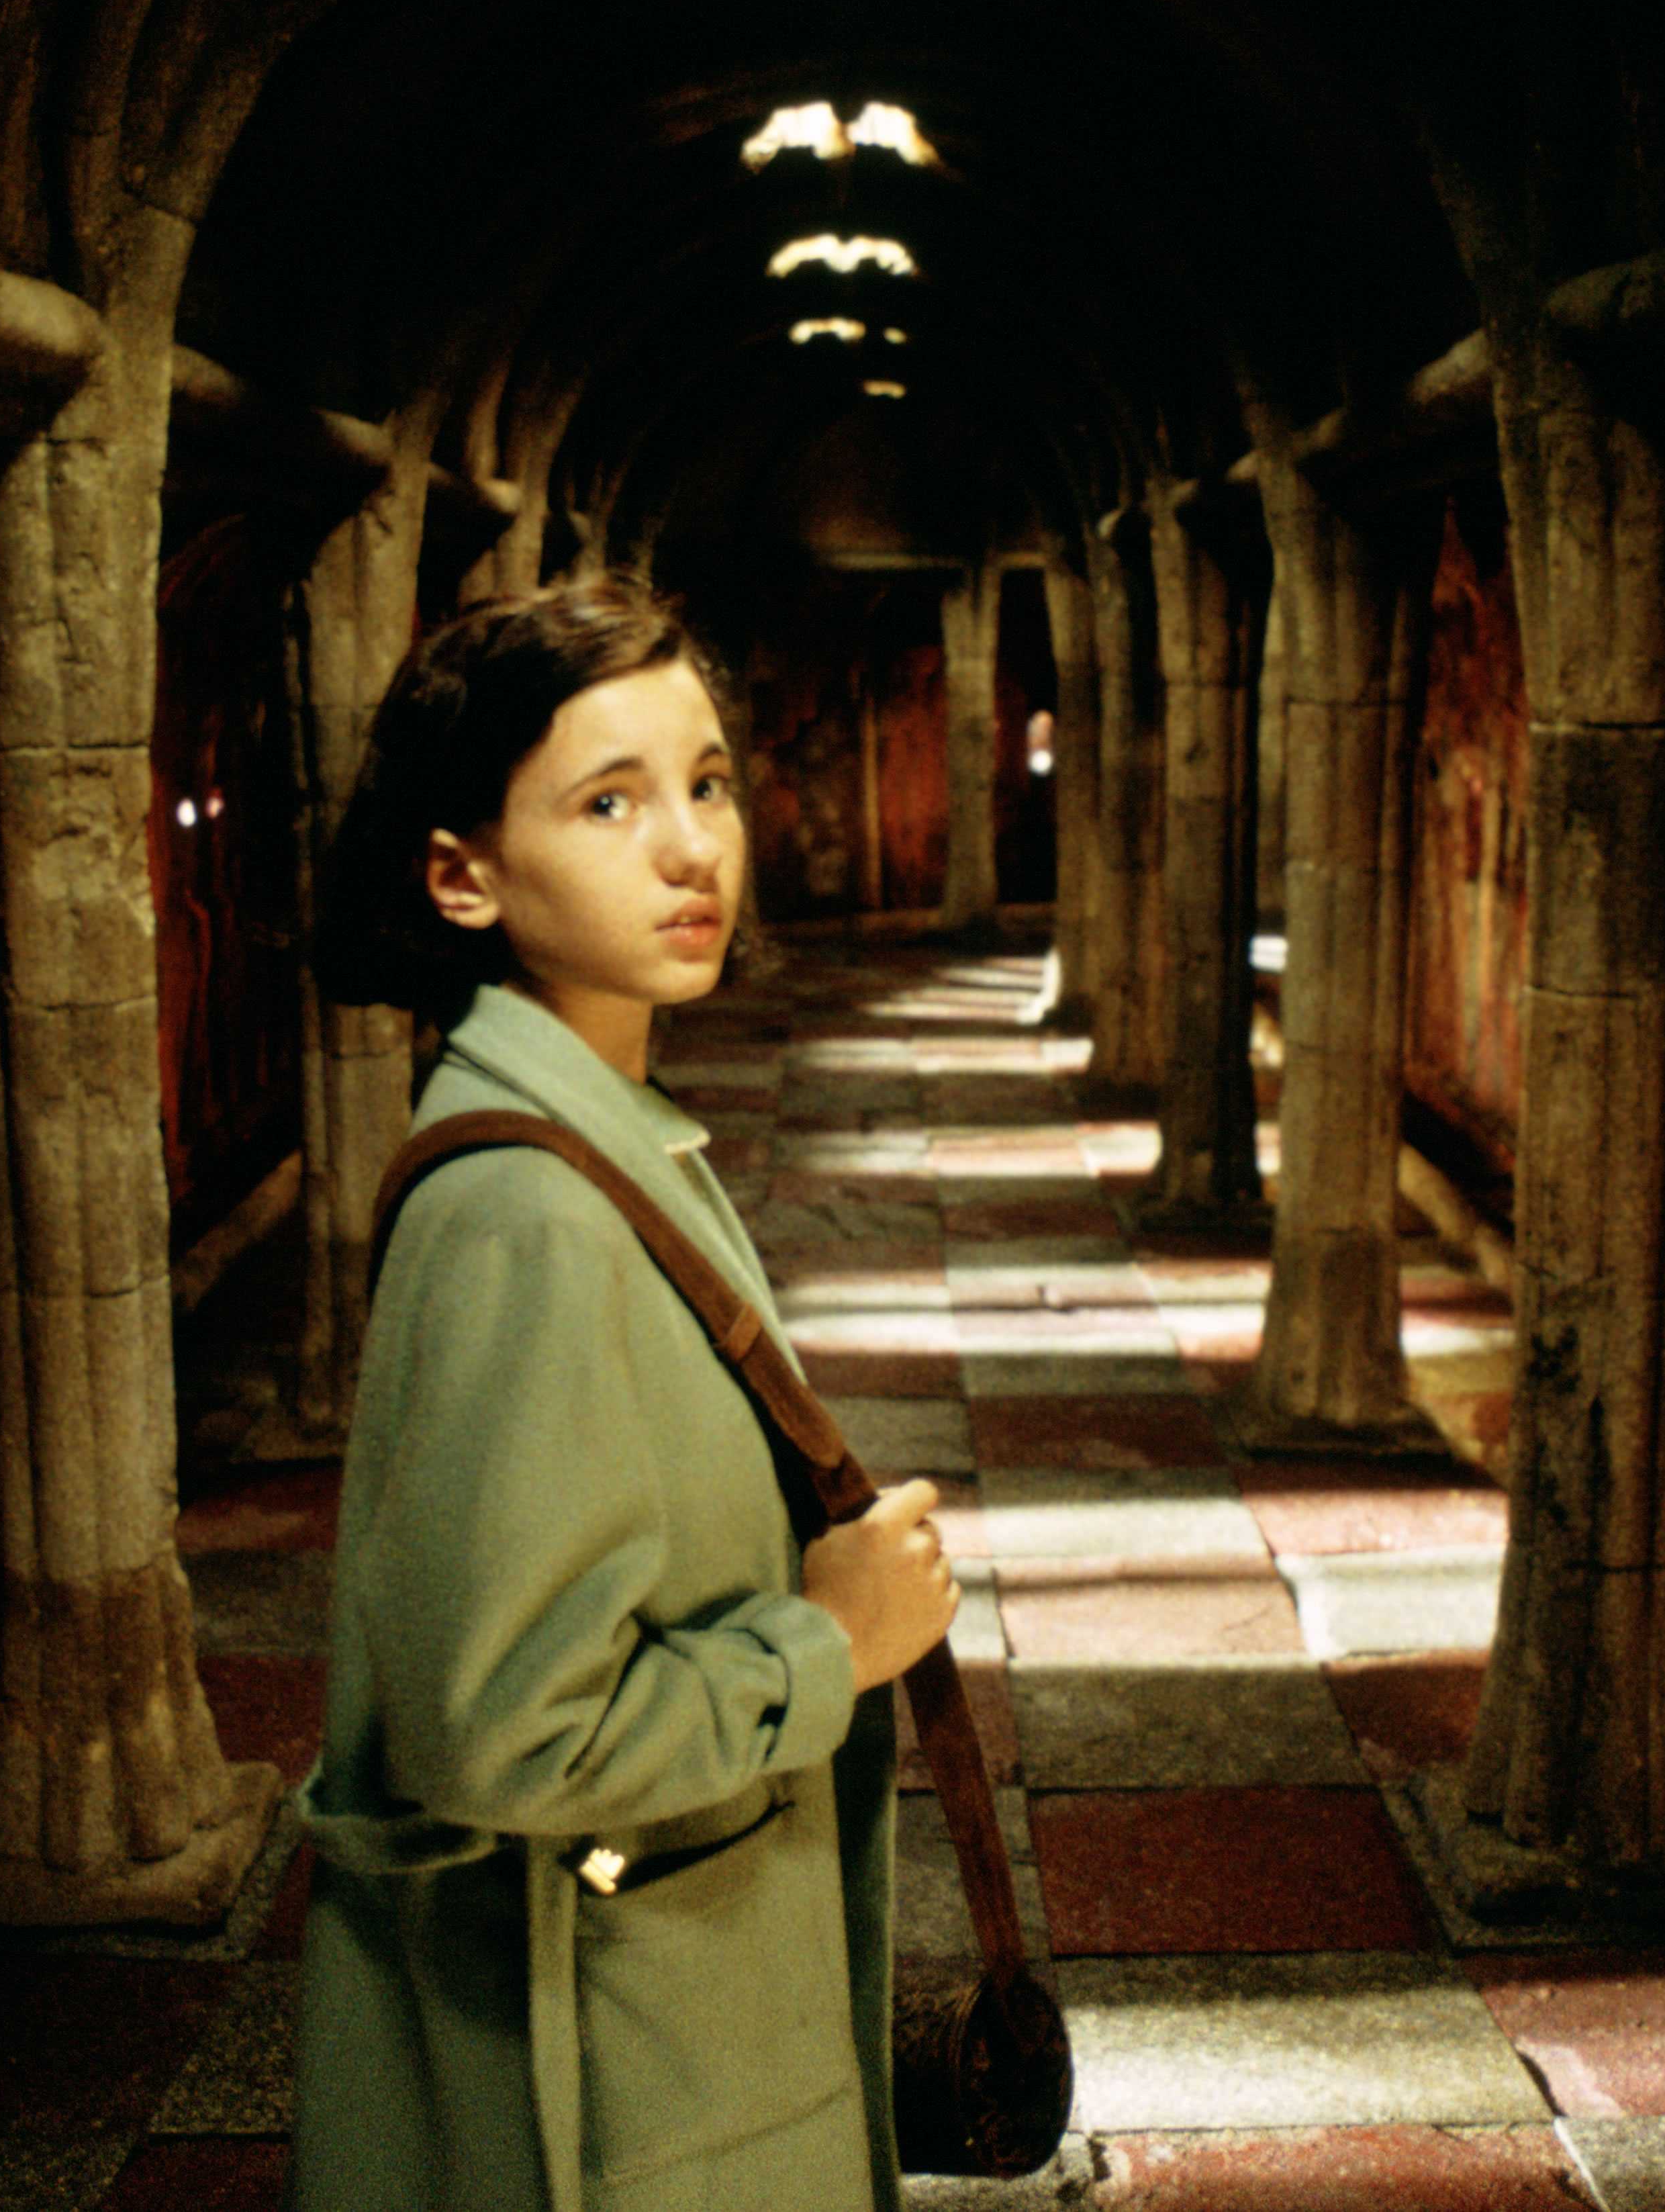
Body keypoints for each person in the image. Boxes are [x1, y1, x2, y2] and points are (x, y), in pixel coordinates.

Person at [287, 578, 963, 2212]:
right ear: (461, 875)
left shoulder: (603, 1138)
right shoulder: (527, 1215)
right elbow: (504, 1733)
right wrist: (831, 1643)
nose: (689, 849)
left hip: (668, 2000)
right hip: (612, 2074)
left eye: (706, 784)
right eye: (609, 802)